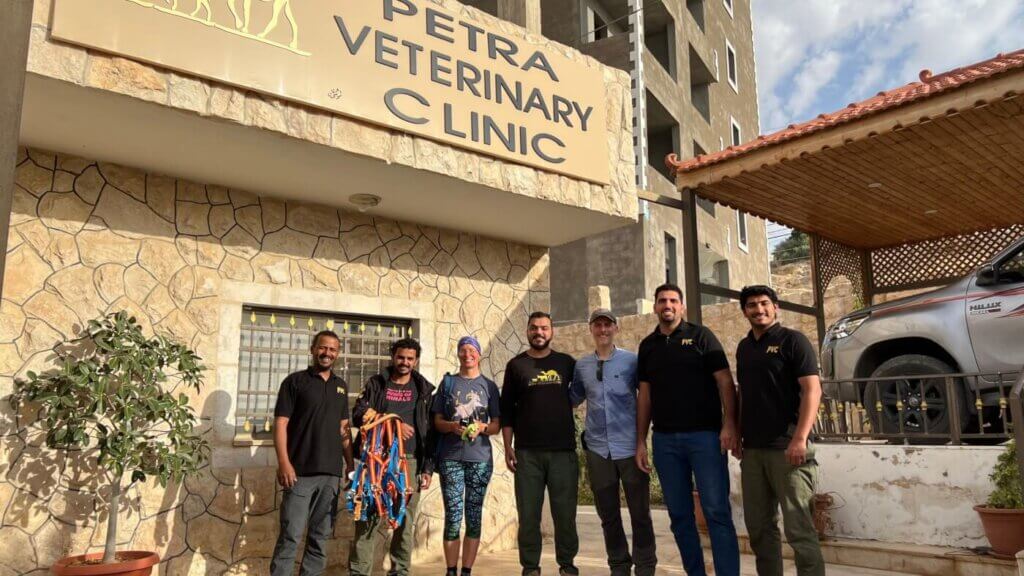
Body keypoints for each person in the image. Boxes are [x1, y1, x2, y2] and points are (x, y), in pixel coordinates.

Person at [636, 283, 740, 576]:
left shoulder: (701, 336)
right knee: (680, 516)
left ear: (682, 306)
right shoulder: (648, 346)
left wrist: (730, 423)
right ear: (655, 307)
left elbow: (724, 381)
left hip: (705, 438)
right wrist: (640, 441)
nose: (666, 305)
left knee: (717, 512)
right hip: (665, 441)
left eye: (672, 300)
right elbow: (644, 395)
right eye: (661, 301)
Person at [734, 285, 825, 576]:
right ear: (744, 311)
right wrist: (737, 432)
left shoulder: (793, 341)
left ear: (776, 307)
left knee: (799, 529)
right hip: (753, 451)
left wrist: (799, 438)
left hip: (789, 450)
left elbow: (812, 390)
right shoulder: (744, 347)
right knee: (760, 529)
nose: (758, 309)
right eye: (751, 305)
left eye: (764, 303)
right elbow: (743, 395)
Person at [570, 309, 657, 576]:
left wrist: (643, 441)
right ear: (591, 329)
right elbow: (573, 398)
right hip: (597, 449)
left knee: (640, 513)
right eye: (598, 325)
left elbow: (646, 398)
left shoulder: (631, 361)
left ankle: (645, 567)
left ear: (615, 329)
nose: (603, 330)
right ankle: (619, 565)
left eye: (608, 325)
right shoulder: (582, 366)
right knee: (608, 514)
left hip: (630, 447)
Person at [500, 311, 579, 576]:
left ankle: (567, 565)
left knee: (565, 515)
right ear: (527, 331)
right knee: (529, 516)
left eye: (544, 328)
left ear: (552, 331)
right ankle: (530, 567)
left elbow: (577, 395)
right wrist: (508, 446)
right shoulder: (516, 366)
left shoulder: (567, 363)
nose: (539, 332)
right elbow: (507, 410)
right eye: (534, 328)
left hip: (563, 452)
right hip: (527, 453)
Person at [349, 338, 436, 576]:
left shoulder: (424, 390)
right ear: (393, 357)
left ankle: (400, 572)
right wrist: (393, 421)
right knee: (367, 519)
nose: (404, 362)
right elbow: (358, 414)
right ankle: (359, 573)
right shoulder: (376, 384)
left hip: (410, 462)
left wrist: (427, 468)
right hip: (376, 461)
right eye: (400, 357)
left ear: (416, 361)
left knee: (405, 523)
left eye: (410, 359)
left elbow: (431, 433)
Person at [270, 330, 354, 576]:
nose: (327, 353)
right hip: (299, 474)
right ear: (313, 349)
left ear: (337, 354)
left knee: (319, 539)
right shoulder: (294, 382)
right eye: (323, 347)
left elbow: (344, 429)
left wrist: (350, 465)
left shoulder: (340, 386)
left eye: (332, 349)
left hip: (330, 474)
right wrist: (284, 463)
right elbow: (281, 424)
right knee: (290, 537)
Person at [432, 336, 502, 576]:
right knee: (453, 515)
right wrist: (452, 427)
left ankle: (466, 571)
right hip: (450, 457)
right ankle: (451, 570)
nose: (467, 354)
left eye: (472, 350)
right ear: (458, 354)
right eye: (463, 350)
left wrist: (483, 428)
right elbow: (437, 421)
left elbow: (496, 425)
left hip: (480, 459)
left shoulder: (489, 386)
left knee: (473, 515)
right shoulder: (448, 384)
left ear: (479, 355)